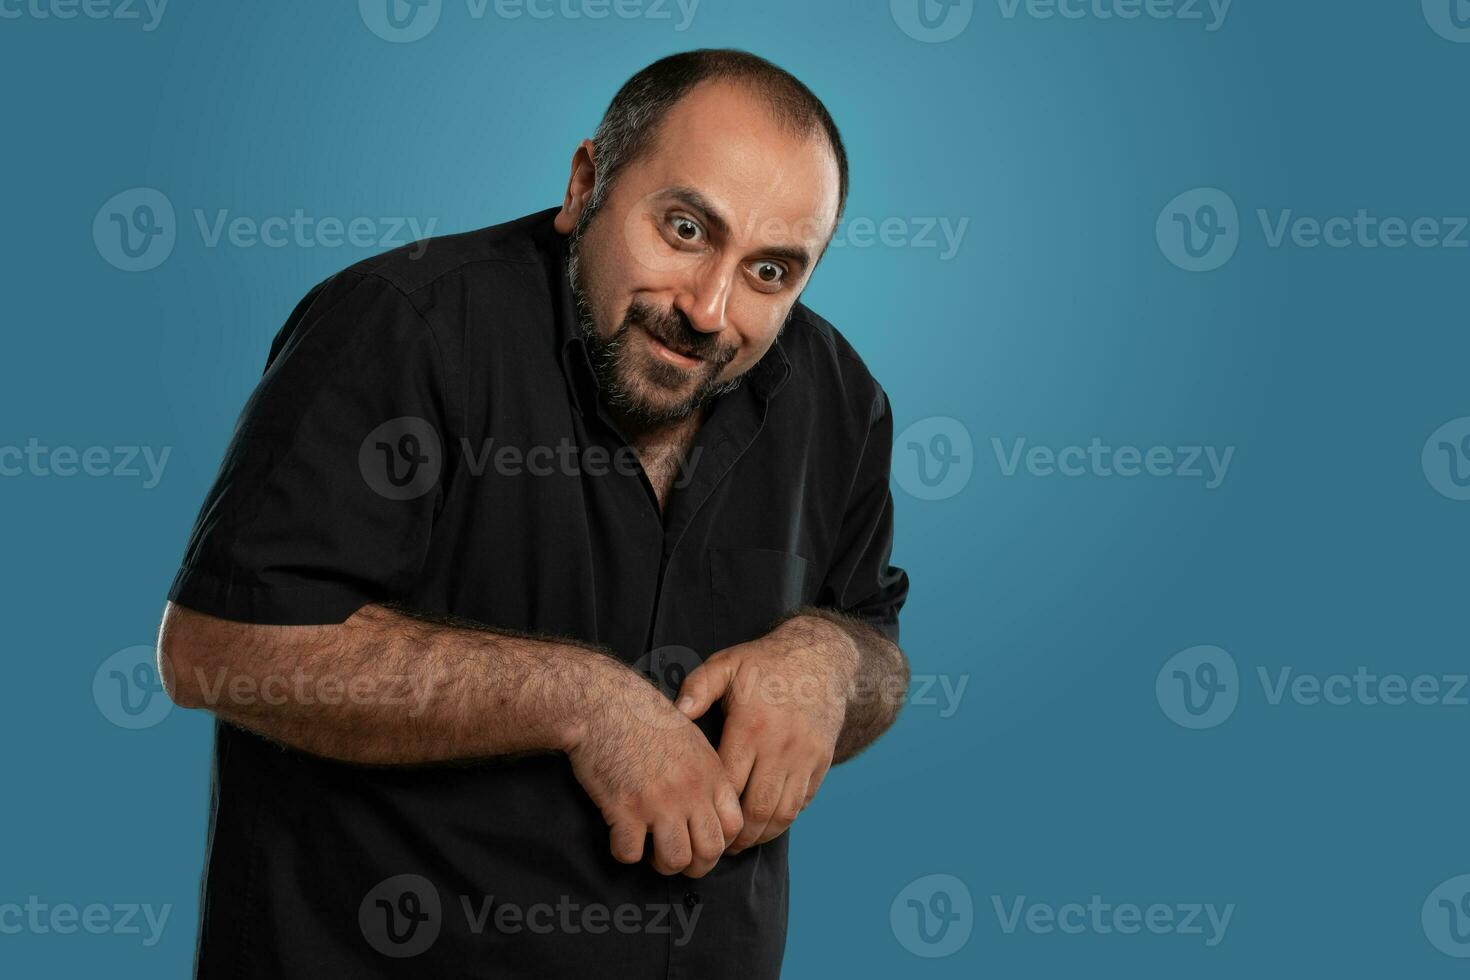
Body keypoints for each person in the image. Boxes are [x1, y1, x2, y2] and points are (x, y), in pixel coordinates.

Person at [157, 48, 911, 978]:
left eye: (770, 271)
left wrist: (829, 663)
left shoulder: (842, 398)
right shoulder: (404, 325)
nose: (711, 310)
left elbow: (876, 645)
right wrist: (584, 705)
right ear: (585, 183)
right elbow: (214, 649)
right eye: (683, 229)